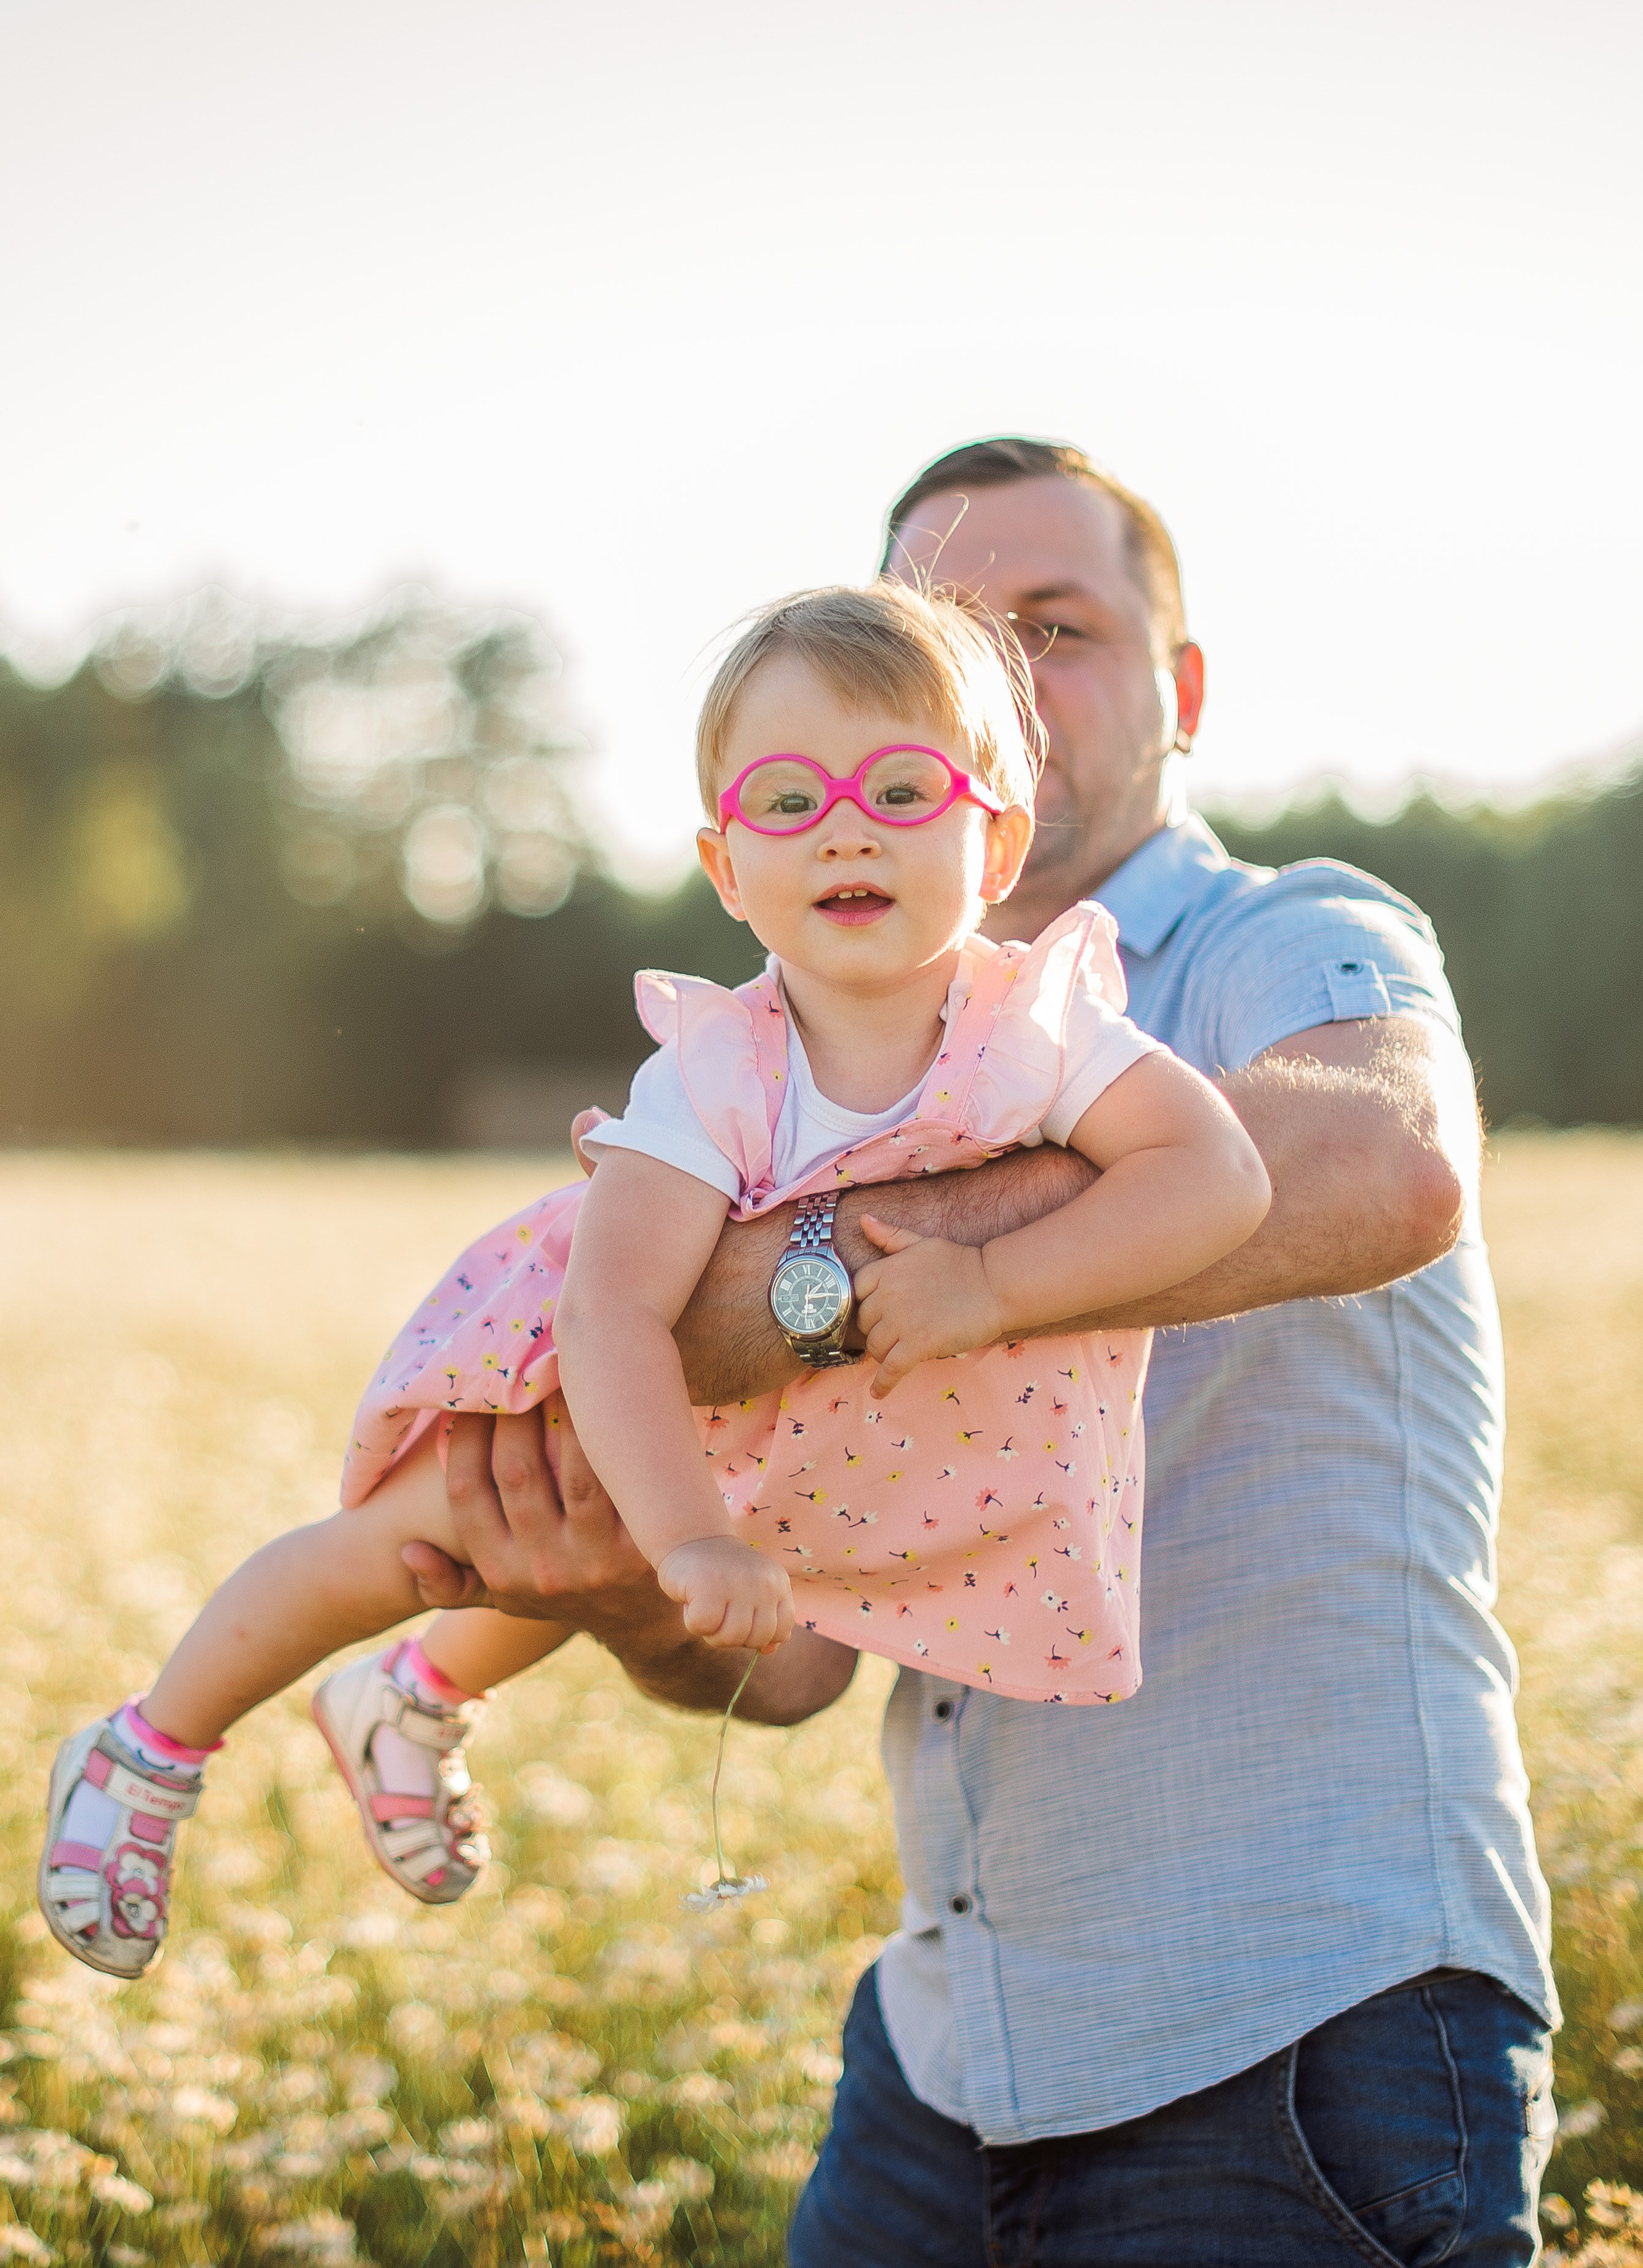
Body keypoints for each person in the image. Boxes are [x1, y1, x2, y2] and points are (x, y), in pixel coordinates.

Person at [400, 439, 1560, 2267]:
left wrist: (794, 1284)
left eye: (1063, 626)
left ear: (1179, 694)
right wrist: (626, 1580)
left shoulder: (1285, 938)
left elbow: (1390, 1158)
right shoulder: (822, 1079)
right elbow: (788, 1674)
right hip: (951, 2063)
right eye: (955, 632)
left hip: (1305, 2025)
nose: (1009, 673)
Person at [39, 575, 1269, 1980]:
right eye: (788, 801)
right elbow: (612, 1315)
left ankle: (409, 1696)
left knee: (573, 1571)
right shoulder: (717, 1072)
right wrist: (686, 1533)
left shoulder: (1041, 1029)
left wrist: (995, 1290)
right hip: (622, 1391)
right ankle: (148, 1747)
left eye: (900, 788)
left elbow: (1213, 1176)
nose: (847, 826)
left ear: (995, 844)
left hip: (839, 1445)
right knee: (424, 1545)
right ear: (726, 870)